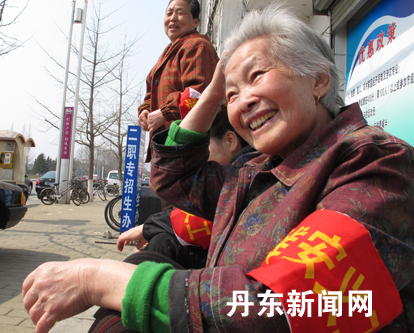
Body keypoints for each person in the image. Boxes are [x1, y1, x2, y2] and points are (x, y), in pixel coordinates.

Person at [22, 5, 414, 333]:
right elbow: (173, 180)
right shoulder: (254, 168)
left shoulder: (374, 162)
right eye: (232, 94)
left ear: (318, 79)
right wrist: (210, 95)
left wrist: (100, 280)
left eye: (257, 76)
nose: (242, 102)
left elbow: (279, 305)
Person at [117, 107, 254, 269]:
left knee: (162, 246)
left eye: (204, 152)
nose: (199, 162)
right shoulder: (242, 170)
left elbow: (199, 222)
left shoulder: (246, 175)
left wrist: (150, 228)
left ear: (230, 141)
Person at [138, 0, 218, 163]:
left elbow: (200, 93)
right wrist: (145, 111)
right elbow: (150, 94)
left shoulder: (197, 46)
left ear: (196, 21)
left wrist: (164, 113)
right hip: (167, 147)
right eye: (169, 13)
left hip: (187, 149)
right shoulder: (167, 54)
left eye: (180, 13)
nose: (172, 18)